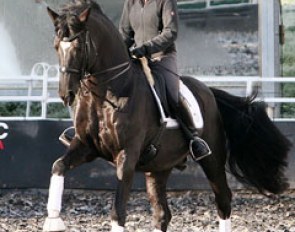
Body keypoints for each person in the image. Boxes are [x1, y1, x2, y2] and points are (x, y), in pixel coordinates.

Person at [119, 0, 211, 161]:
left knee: (171, 93)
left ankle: (192, 138)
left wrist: (147, 48)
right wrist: (120, 52)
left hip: (161, 58)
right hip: (137, 58)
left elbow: (171, 32)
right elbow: (125, 34)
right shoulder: (131, 2)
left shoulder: (165, 1)